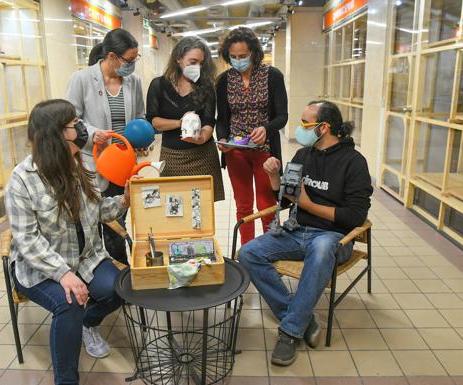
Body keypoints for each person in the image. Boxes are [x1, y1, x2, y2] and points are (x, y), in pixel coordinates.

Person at [4, 99, 134, 385]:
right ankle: (66, 380)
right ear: (55, 135)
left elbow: (98, 210)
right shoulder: (22, 180)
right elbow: (27, 240)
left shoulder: (76, 165)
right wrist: (62, 274)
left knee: (121, 288)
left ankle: (89, 324)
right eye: (74, 125)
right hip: (39, 269)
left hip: (86, 257)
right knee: (70, 303)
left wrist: (124, 200)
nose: (82, 129)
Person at [238, 101, 373, 366]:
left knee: (322, 250)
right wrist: (276, 176)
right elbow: (287, 199)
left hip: (334, 237)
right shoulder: (303, 156)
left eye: (305, 124)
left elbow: (355, 217)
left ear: (324, 128)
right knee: (248, 253)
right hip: (296, 230)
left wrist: (310, 206)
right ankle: (301, 317)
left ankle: (289, 333)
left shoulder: (354, 162)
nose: (300, 129)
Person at [67, 28, 145, 265]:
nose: (132, 65)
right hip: (94, 164)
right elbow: (70, 118)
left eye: (135, 60)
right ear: (111, 56)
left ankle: (117, 275)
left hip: (123, 164)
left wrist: (140, 140)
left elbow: (140, 116)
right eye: (129, 60)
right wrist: (93, 133)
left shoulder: (133, 82)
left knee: (116, 226)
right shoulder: (81, 79)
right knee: (90, 222)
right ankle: (91, 270)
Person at [216, 27, 288, 243]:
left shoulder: (272, 76)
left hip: (265, 151)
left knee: (266, 204)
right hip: (236, 152)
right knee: (243, 206)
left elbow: (282, 116)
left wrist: (266, 129)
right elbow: (223, 118)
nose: (238, 60)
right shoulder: (224, 80)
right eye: (233, 57)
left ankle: (269, 249)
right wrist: (222, 140)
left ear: (254, 53)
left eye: (243, 56)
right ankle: (247, 252)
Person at [146, 36, 224, 201]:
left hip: (202, 157)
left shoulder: (206, 86)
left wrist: (202, 138)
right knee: (174, 210)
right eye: (193, 62)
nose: (198, 67)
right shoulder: (158, 86)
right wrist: (180, 123)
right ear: (178, 58)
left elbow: (210, 121)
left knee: (200, 215)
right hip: (172, 158)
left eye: (202, 63)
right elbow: (153, 121)